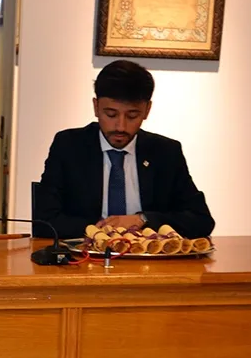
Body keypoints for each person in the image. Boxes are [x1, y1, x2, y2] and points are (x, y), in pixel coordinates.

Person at [32, 59, 215, 240]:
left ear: (147, 110)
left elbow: (201, 220)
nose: (121, 126)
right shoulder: (69, 146)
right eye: (111, 114)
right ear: (96, 107)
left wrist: (143, 219)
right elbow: (44, 221)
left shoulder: (165, 152)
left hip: (147, 256)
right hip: (85, 253)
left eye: (132, 116)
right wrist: (102, 230)